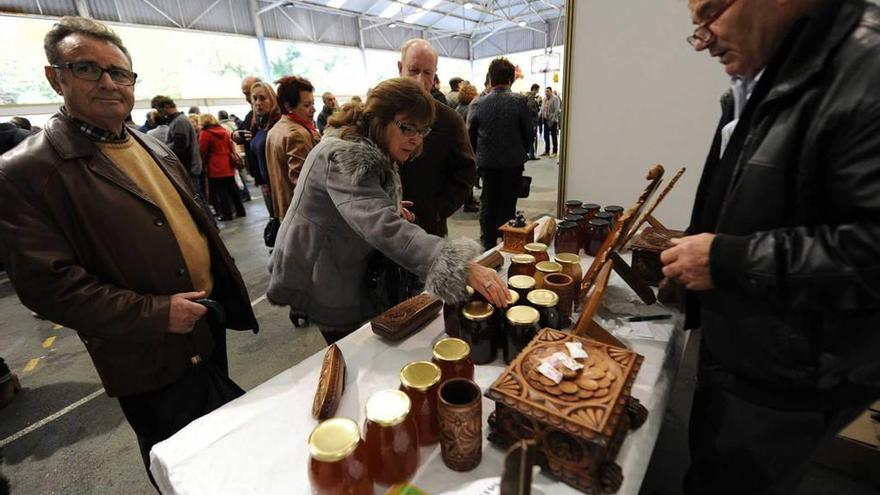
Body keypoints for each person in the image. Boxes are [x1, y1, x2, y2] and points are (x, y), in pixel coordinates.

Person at [0, 16, 257, 486]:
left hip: (201, 324)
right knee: (178, 455)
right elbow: (47, 285)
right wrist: (154, 314)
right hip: (145, 349)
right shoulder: (26, 171)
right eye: (87, 69)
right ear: (55, 77)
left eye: (119, 72)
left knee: (220, 439)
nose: (109, 82)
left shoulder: (147, 143)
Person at [659, 1, 880, 494]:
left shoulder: (866, 68)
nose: (703, 38)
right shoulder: (778, 69)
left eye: (710, 12)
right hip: (750, 347)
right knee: (713, 466)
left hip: (790, 368)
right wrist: (696, 274)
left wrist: (726, 262)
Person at [267, 77, 508, 345]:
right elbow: (383, 227)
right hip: (321, 275)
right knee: (355, 356)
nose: (416, 140)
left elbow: (358, 206)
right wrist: (459, 266)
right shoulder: (343, 156)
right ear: (379, 120)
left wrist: (386, 204)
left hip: (340, 265)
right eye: (408, 129)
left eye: (422, 131)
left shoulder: (365, 143)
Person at [397, 39, 476, 237]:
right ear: (400, 68)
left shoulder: (450, 120)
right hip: (378, 227)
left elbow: (465, 172)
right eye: (413, 70)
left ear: (435, 74)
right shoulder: (380, 113)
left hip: (429, 228)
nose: (419, 80)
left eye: (427, 73)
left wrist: (437, 211)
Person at [468, 58, 533, 250]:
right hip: (513, 162)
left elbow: (470, 134)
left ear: (491, 78)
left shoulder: (478, 103)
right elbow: (529, 133)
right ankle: (506, 241)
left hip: (487, 163)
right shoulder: (520, 101)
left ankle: (488, 243)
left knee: (488, 201)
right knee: (508, 202)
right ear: (512, 78)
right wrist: (521, 149)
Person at [266, 76, 319, 220]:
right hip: (304, 217)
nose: (313, 109)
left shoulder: (275, 130)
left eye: (313, 103)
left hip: (286, 212)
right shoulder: (297, 134)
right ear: (288, 106)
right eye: (307, 105)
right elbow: (304, 186)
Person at [199, 113, 245, 221]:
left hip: (214, 165)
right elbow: (231, 146)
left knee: (221, 192)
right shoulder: (224, 131)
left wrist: (203, 163)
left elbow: (202, 151)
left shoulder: (205, 134)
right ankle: (240, 211)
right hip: (228, 163)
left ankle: (227, 214)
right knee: (233, 190)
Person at [151, 95, 203, 192]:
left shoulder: (180, 121)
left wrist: (163, 149)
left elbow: (180, 146)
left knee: (196, 200)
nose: (159, 113)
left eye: (159, 110)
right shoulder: (178, 120)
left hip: (188, 168)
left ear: (166, 106)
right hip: (188, 168)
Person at [248, 81, 282, 218]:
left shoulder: (278, 124)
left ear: (272, 100)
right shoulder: (259, 123)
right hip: (266, 186)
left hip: (278, 189)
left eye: (262, 98)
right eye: (255, 99)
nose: (257, 103)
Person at [540, 86, 560, 156]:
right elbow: (542, 108)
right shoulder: (544, 99)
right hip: (546, 120)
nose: (546, 93)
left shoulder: (555, 98)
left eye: (548, 91)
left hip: (553, 121)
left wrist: (552, 119)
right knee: (546, 136)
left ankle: (554, 151)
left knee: (554, 136)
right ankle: (547, 150)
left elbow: (557, 110)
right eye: (545, 91)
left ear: (551, 91)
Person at [526, 83, 541, 160]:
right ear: (535, 89)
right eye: (538, 89)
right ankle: (532, 155)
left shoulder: (528, 96)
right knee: (533, 138)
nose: (538, 91)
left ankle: (530, 154)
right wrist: (537, 104)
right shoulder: (531, 98)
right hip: (532, 121)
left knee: (530, 138)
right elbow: (532, 109)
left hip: (530, 121)